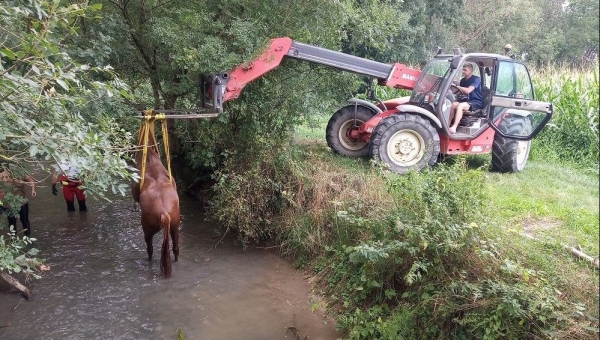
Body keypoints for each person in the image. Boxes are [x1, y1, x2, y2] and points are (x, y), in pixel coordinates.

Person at [448, 63, 484, 134]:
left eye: (465, 70)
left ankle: (454, 127)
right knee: (454, 104)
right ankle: (448, 124)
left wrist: (457, 86)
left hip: (476, 102)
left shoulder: (476, 79)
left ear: (471, 71)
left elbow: (468, 90)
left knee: (461, 106)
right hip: (467, 100)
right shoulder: (463, 81)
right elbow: (462, 92)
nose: (463, 71)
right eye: (462, 70)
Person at [0, 168, 37, 236]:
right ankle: (13, 240)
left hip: (22, 202)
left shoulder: (20, 172)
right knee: (12, 223)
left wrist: (33, 189)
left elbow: (30, 180)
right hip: (8, 204)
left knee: (25, 221)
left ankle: (28, 238)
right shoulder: (1, 173)